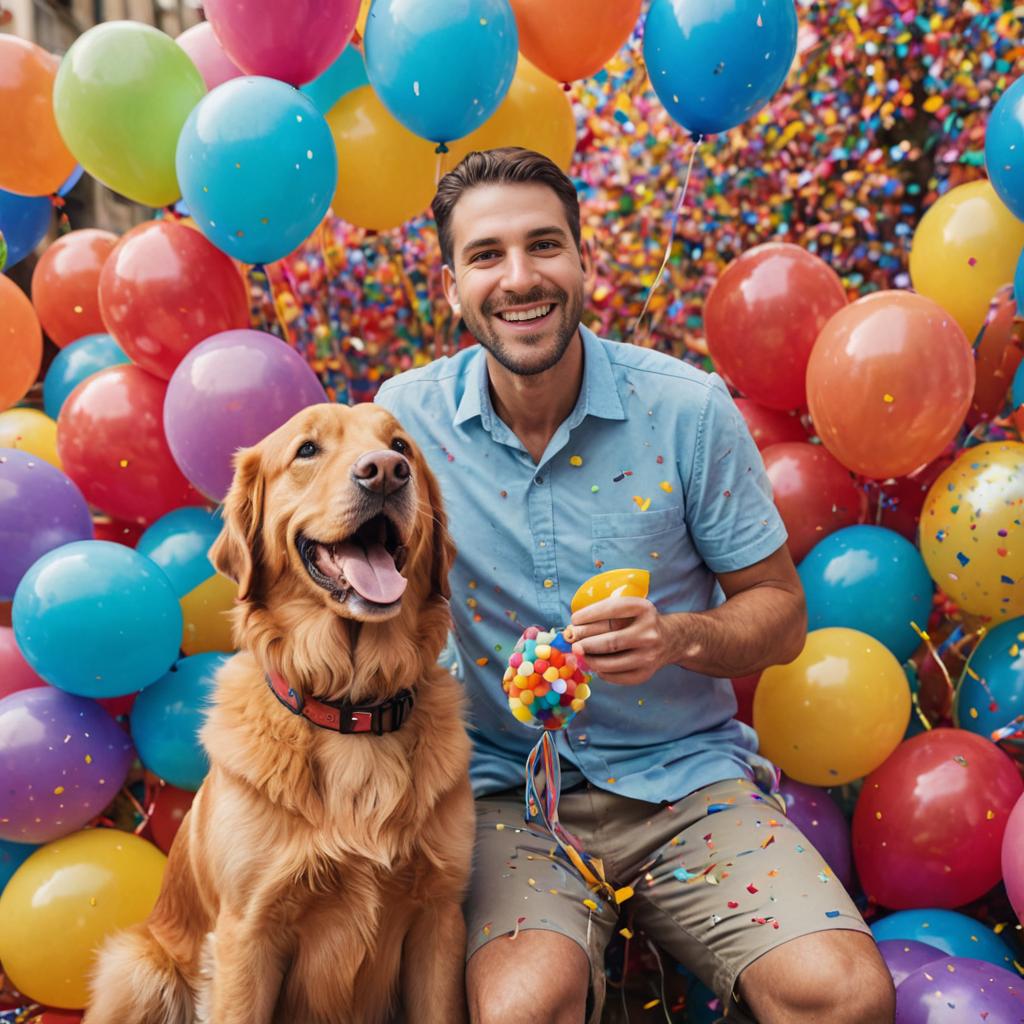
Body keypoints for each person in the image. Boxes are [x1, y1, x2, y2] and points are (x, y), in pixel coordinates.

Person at [375, 147, 894, 1024]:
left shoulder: (685, 410)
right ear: (454, 286)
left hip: (684, 784)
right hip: (508, 798)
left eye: (544, 246)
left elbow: (782, 618)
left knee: (844, 997)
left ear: (583, 262)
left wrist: (678, 638)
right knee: (518, 1012)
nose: (519, 277)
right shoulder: (407, 424)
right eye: (487, 255)